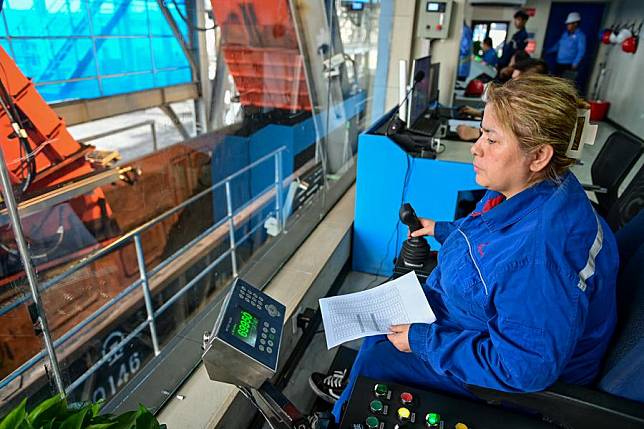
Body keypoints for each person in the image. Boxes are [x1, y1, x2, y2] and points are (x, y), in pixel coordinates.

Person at [309, 75, 619, 424]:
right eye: (482, 132)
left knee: (377, 359)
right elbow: (490, 234)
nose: (477, 147)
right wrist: (441, 229)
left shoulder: (538, 255)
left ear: (539, 156)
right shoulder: (533, 188)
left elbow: (525, 368)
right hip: (483, 322)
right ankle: (350, 393)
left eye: (492, 139)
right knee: (377, 330)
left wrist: (424, 340)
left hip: (515, 384)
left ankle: (343, 410)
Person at [456, 58, 549, 141]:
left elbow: (520, 136)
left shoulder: (540, 112)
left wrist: (477, 133)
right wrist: (478, 113)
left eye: (518, 82)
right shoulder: (526, 103)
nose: (513, 86)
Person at [547, 12, 586, 77]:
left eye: (569, 24)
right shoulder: (565, 34)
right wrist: (548, 50)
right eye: (567, 24)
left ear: (575, 24)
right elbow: (558, 45)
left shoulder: (580, 36)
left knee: (565, 83)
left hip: (569, 64)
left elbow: (581, 51)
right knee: (555, 80)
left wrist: (575, 63)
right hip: (559, 63)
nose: (567, 25)